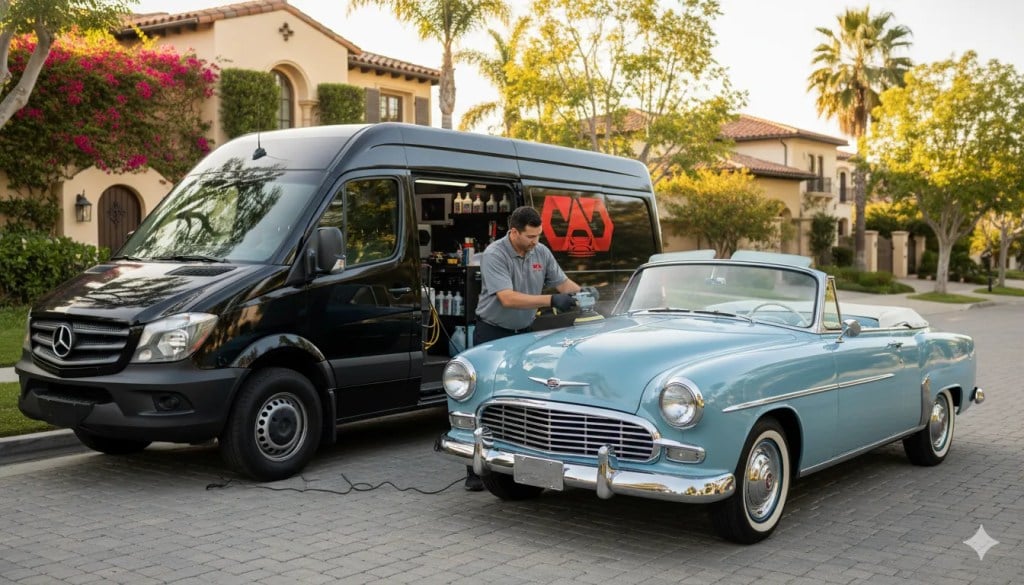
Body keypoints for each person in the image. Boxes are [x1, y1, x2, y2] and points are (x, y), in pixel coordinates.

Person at [463, 205, 581, 491]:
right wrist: (551, 301)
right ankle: (474, 468)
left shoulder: (541, 252)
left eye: (538, 236)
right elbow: (508, 298)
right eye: (530, 236)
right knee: (483, 396)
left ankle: (518, 458)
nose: (535, 242)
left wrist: (582, 294)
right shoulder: (495, 254)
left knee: (520, 397)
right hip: (493, 333)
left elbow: (563, 283)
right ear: (513, 232)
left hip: (523, 334)